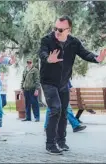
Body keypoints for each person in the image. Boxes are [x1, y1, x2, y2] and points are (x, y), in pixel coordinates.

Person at [38, 15, 106, 155]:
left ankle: (61, 141)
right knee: (55, 109)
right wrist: (48, 59)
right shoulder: (47, 39)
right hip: (48, 81)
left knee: (63, 111)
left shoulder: (74, 42)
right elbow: (42, 52)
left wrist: (97, 58)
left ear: (69, 30)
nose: (57, 31)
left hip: (63, 83)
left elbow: (85, 53)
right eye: (55, 28)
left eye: (61, 30)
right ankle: (50, 144)